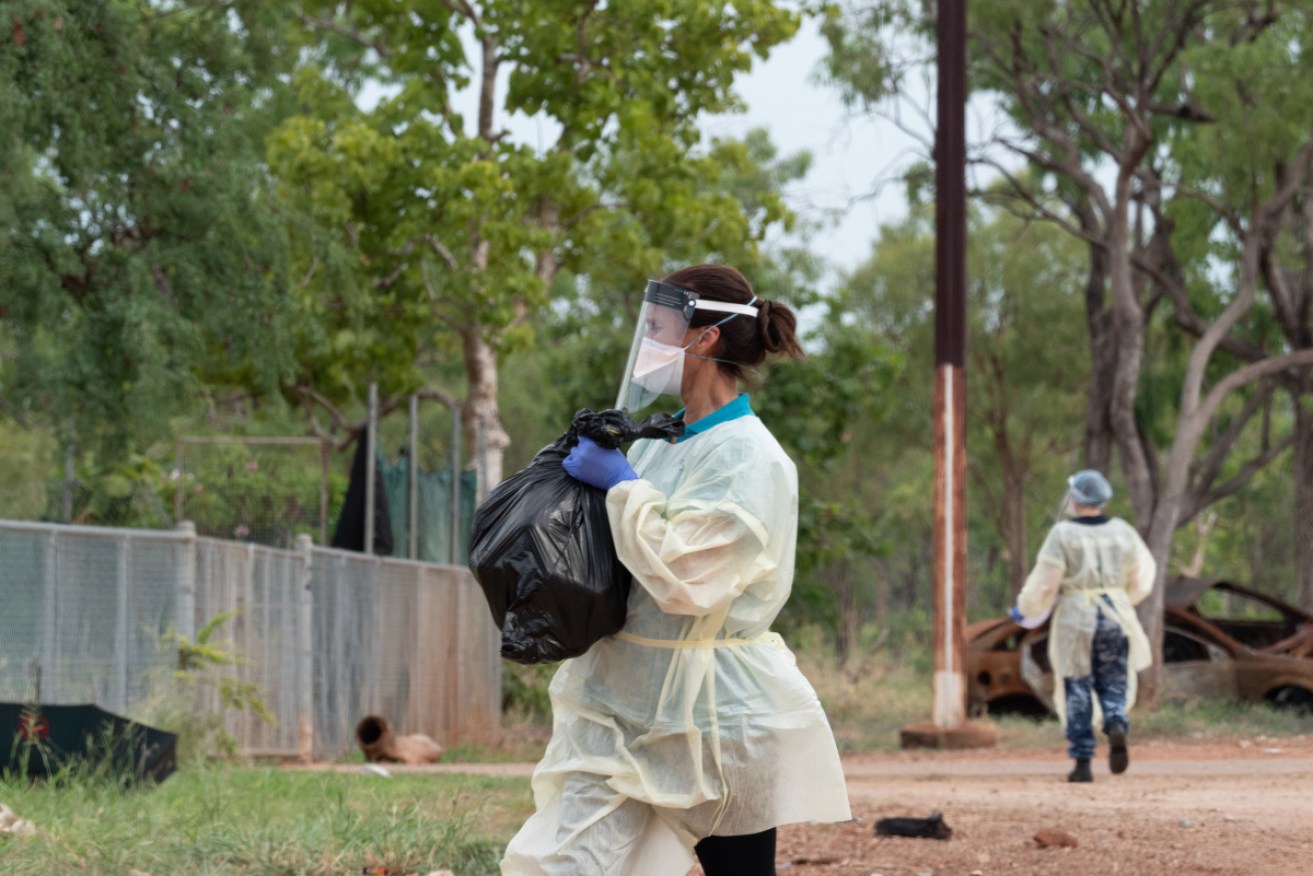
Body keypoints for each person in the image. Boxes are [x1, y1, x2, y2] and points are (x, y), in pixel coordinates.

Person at [499, 265, 851, 875]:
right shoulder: (658, 442)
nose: (646, 342)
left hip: (712, 715)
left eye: (658, 327)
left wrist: (623, 488)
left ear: (704, 338)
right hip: (619, 700)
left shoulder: (750, 456)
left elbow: (689, 578)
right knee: (562, 863)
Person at [1010, 469, 1156, 783]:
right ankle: (1116, 720)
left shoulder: (1063, 534)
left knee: (1077, 686)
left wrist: (1026, 609)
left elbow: (1045, 582)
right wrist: (1121, 597)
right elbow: (1144, 575)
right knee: (1114, 680)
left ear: (1076, 498)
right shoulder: (1122, 531)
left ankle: (1082, 761)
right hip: (1115, 615)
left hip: (1076, 617)